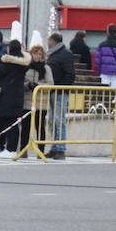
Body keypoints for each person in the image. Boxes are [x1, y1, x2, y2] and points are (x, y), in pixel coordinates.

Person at [0, 40, 29, 158]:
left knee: (8, 122)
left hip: (7, 96)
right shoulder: (24, 63)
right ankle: (11, 148)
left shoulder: (8, 62)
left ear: (10, 49)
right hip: (17, 96)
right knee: (13, 122)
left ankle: (10, 149)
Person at [44, 31, 75, 160]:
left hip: (59, 92)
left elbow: (70, 74)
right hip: (52, 91)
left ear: (53, 41)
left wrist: (60, 87)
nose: (47, 42)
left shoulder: (64, 54)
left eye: (49, 40)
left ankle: (60, 148)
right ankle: (55, 147)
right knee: (52, 120)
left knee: (59, 120)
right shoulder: (52, 54)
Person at [24, 43, 53, 148]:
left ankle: (41, 149)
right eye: (35, 53)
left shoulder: (46, 68)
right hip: (27, 102)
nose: (37, 56)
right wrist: (28, 85)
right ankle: (23, 150)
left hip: (41, 103)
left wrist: (38, 86)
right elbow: (22, 82)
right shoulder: (26, 67)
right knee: (25, 127)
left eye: (40, 54)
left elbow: (50, 84)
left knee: (40, 127)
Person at [94, 23, 116, 95]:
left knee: (104, 93)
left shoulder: (101, 45)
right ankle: (115, 105)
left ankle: (105, 105)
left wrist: (99, 72)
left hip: (104, 72)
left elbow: (97, 61)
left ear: (107, 32)